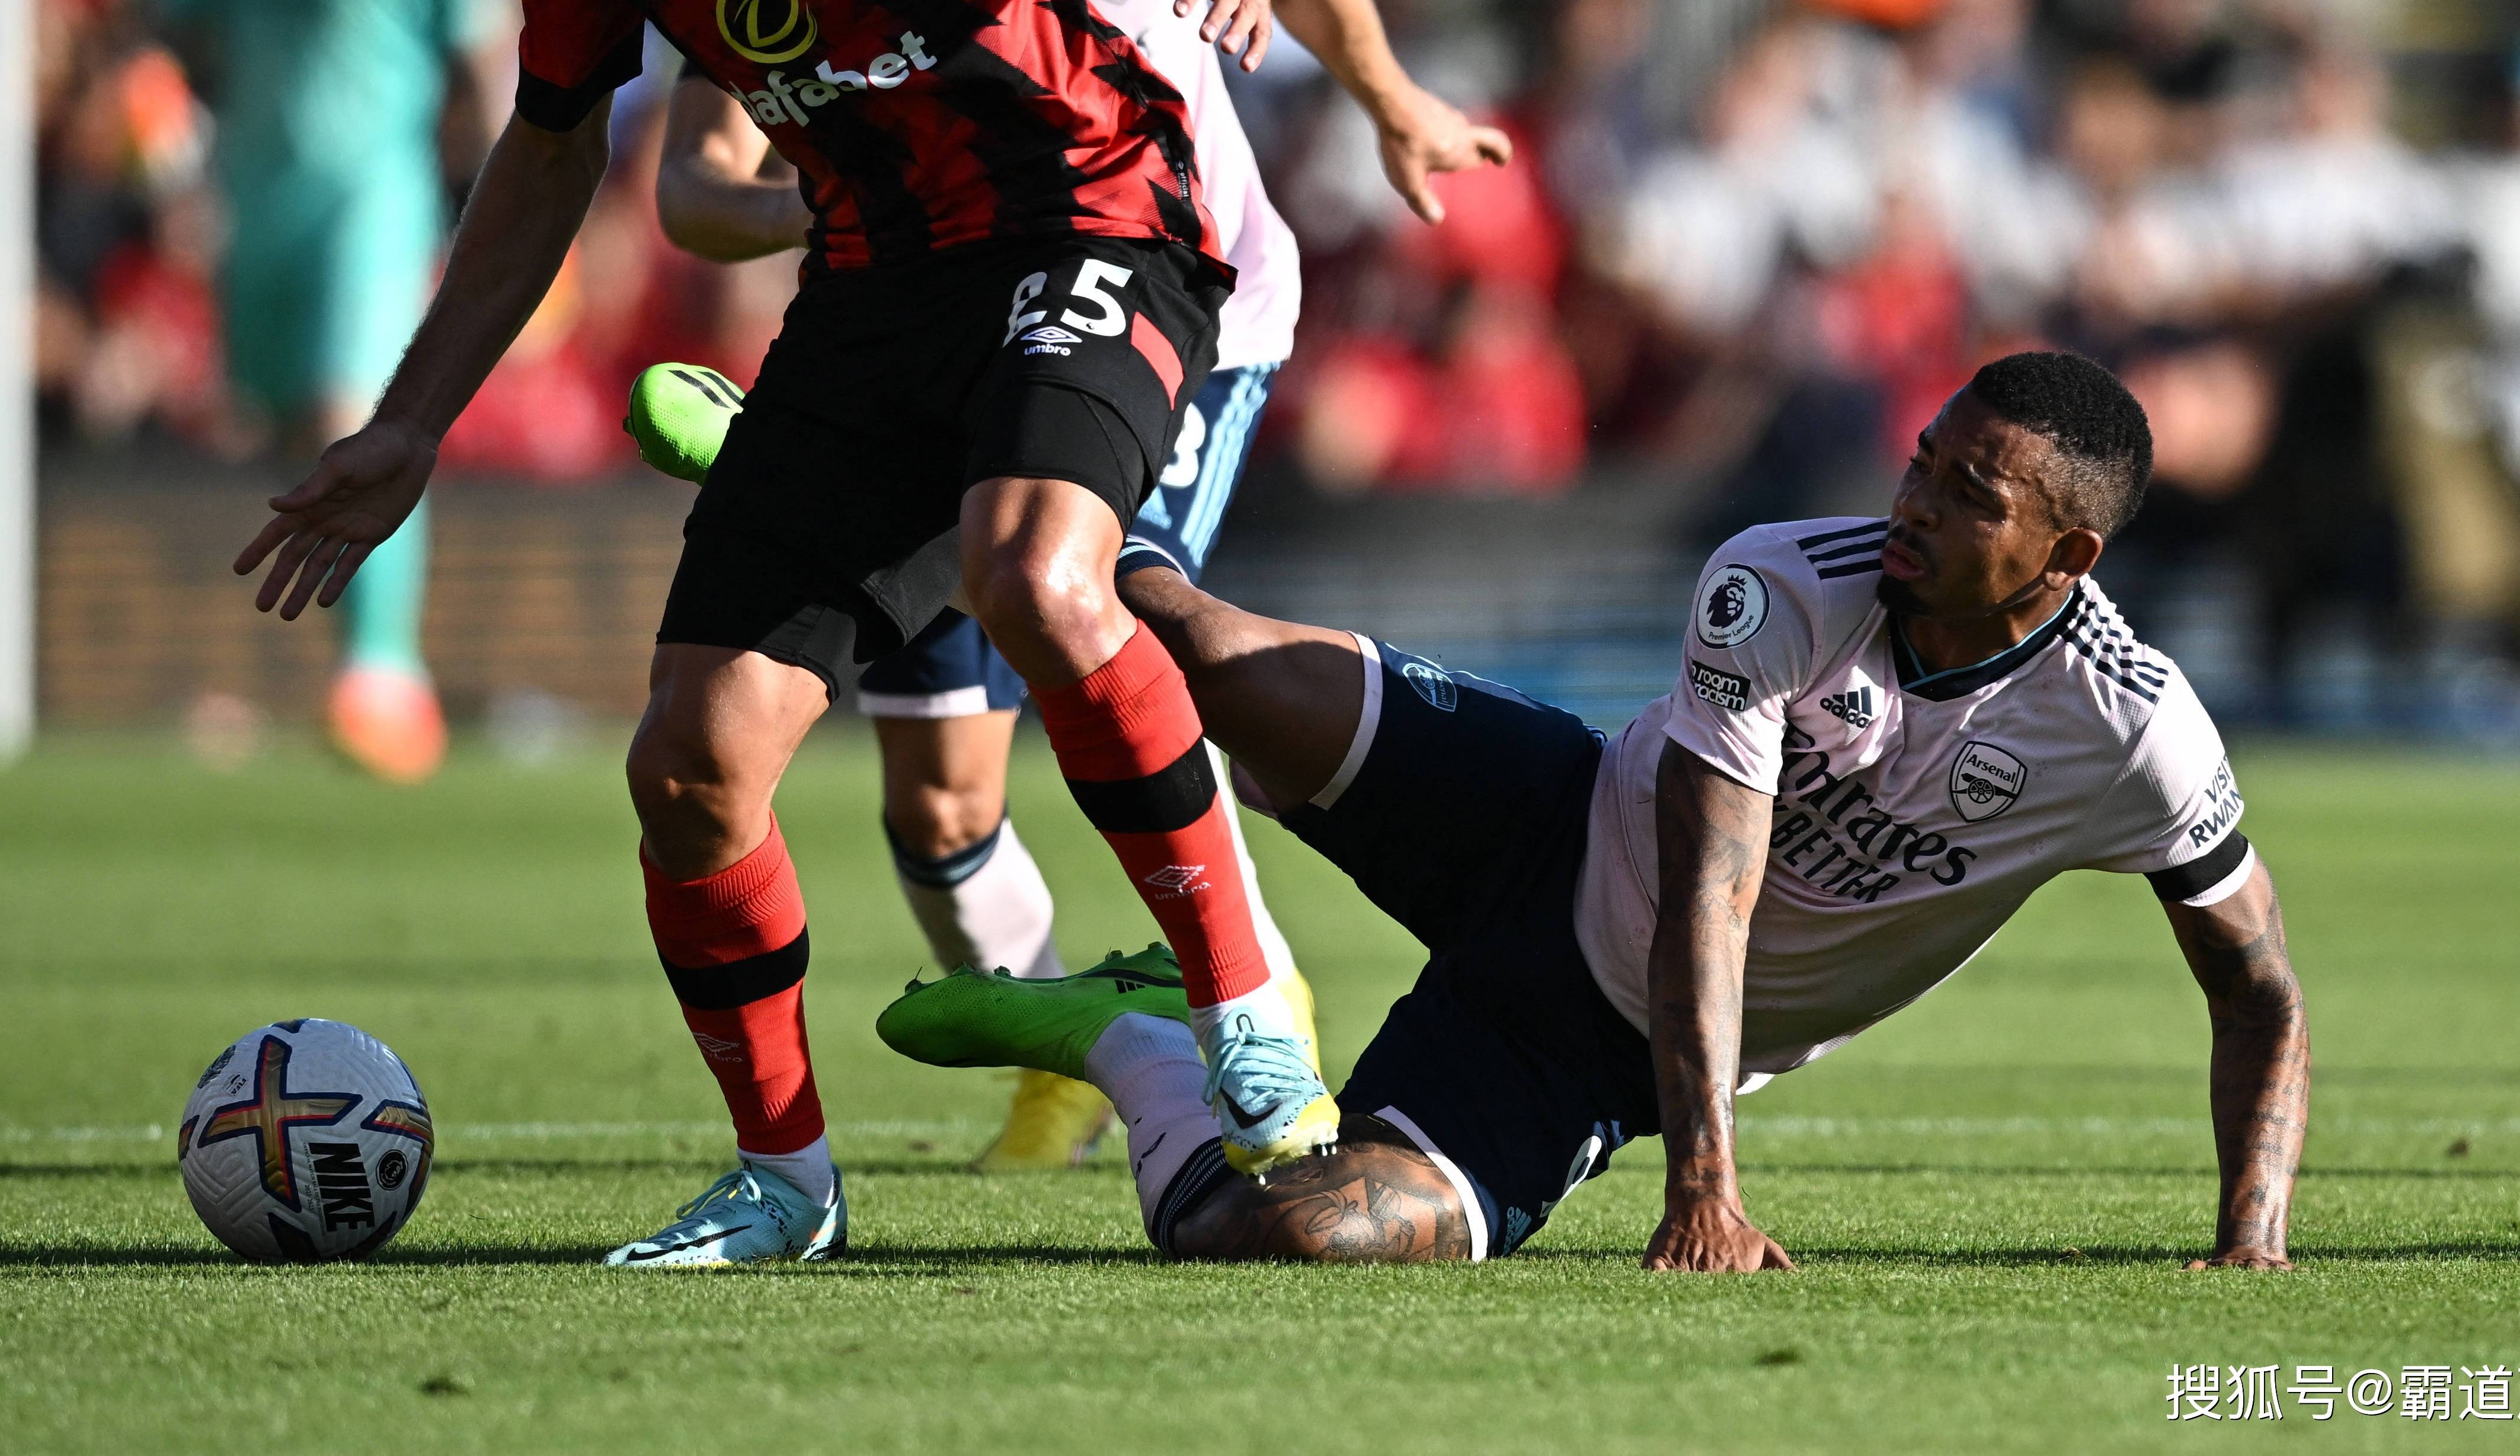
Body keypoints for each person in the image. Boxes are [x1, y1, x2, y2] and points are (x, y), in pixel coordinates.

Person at [232, 0, 1342, 1268]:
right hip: (871, 292)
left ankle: (1246, 1008)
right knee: (688, 758)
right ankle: (784, 1183)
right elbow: (543, 153)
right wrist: (410, 420)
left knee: (1038, 571)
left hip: (1094, 222)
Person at [644, 0, 1510, 1172]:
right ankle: (1077, 1037)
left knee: (1106, 607)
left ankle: (1258, 1021)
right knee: (938, 801)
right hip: (921, 313)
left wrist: (1388, 98)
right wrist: (847, 197)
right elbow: (696, 177)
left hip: (1173, 288)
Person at [881, 353, 2310, 1270]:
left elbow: (2258, 990)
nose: (1916, 502)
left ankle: (1132, 1044)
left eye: (1969, 494)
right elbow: (1711, 891)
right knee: (1205, 646)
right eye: (1923, 457)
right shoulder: (1789, 578)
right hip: (1546, 814)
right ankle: (939, 490)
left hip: (1588, 1045)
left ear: (2067, 552)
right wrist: (1709, 1193)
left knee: (1280, 1234)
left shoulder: (2137, 733)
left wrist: (2254, 1246)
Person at [164, 0, 509, 781]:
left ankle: (384, 675)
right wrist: (166, 152)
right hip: (258, 198)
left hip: (375, 192)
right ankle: (354, 666)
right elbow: (170, 27)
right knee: (284, 430)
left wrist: (507, 189)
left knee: (347, 410)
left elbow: (483, 38)